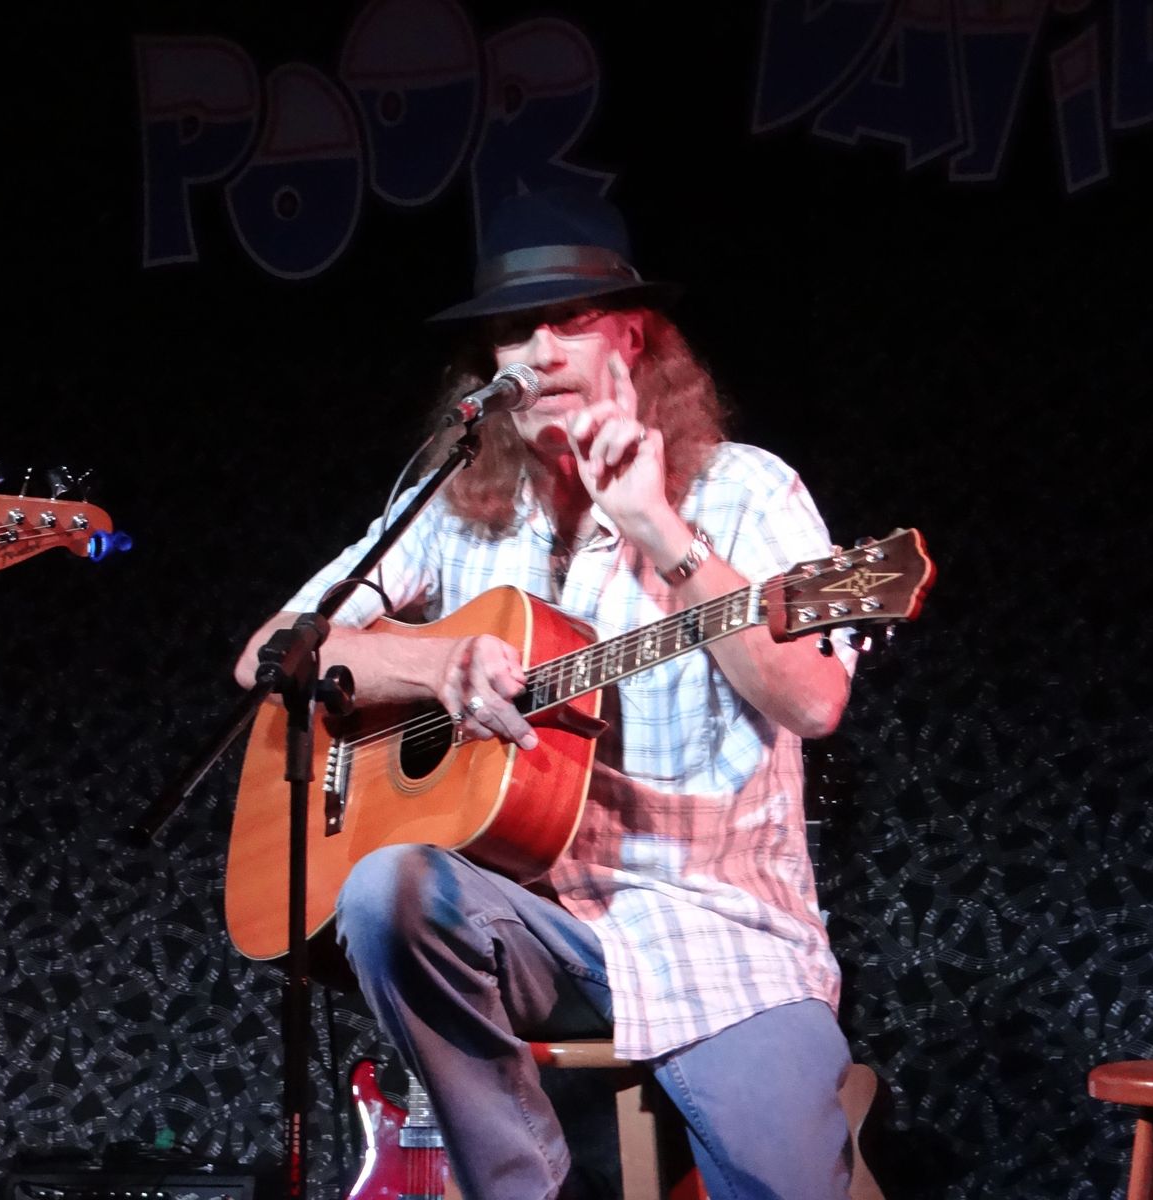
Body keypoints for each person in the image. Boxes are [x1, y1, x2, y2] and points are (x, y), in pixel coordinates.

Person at [235, 188, 859, 1200]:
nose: (541, 352)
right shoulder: (453, 510)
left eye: (572, 320)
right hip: (527, 927)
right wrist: (432, 669)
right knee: (385, 888)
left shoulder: (747, 490)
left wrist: (658, 529)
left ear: (635, 338)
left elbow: (813, 701)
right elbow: (274, 652)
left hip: (723, 937)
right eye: (516, 331)